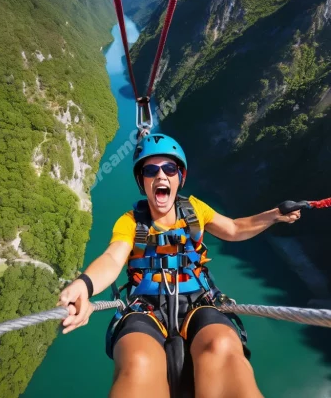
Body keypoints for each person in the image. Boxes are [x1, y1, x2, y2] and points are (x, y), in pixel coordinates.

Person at [58, 133, 301, 398]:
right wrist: (85, 284)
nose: (161, 176)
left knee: (222, 347)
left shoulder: (195, 210)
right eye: (151, 170)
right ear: (142, 181)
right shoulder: (130, 222)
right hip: (146, 307)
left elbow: (233, 228)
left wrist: (274, 215)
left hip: (199, 300)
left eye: (169, 168)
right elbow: (113, 258)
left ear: (179, 177)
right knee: (138, 361)